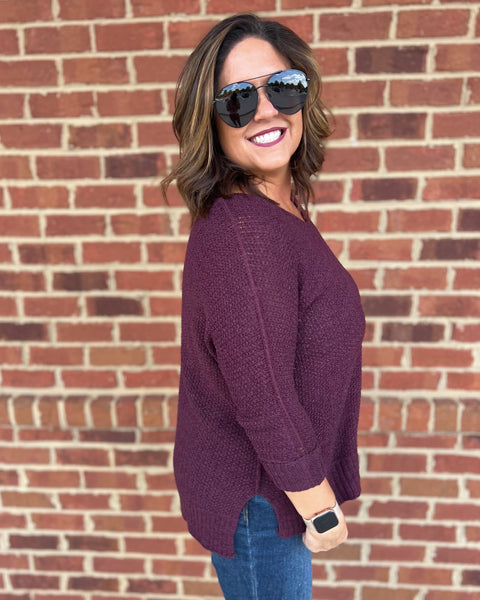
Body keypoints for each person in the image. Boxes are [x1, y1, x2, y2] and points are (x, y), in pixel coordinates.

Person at [161, 13, 365, 600]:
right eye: (237, 100)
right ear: (209, 121)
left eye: (283, 87)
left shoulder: (281, 213)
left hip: (275, 493)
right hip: (263, 502)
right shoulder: (244, 231)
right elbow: (262, 392)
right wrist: (319, 507)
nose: (267, 110)